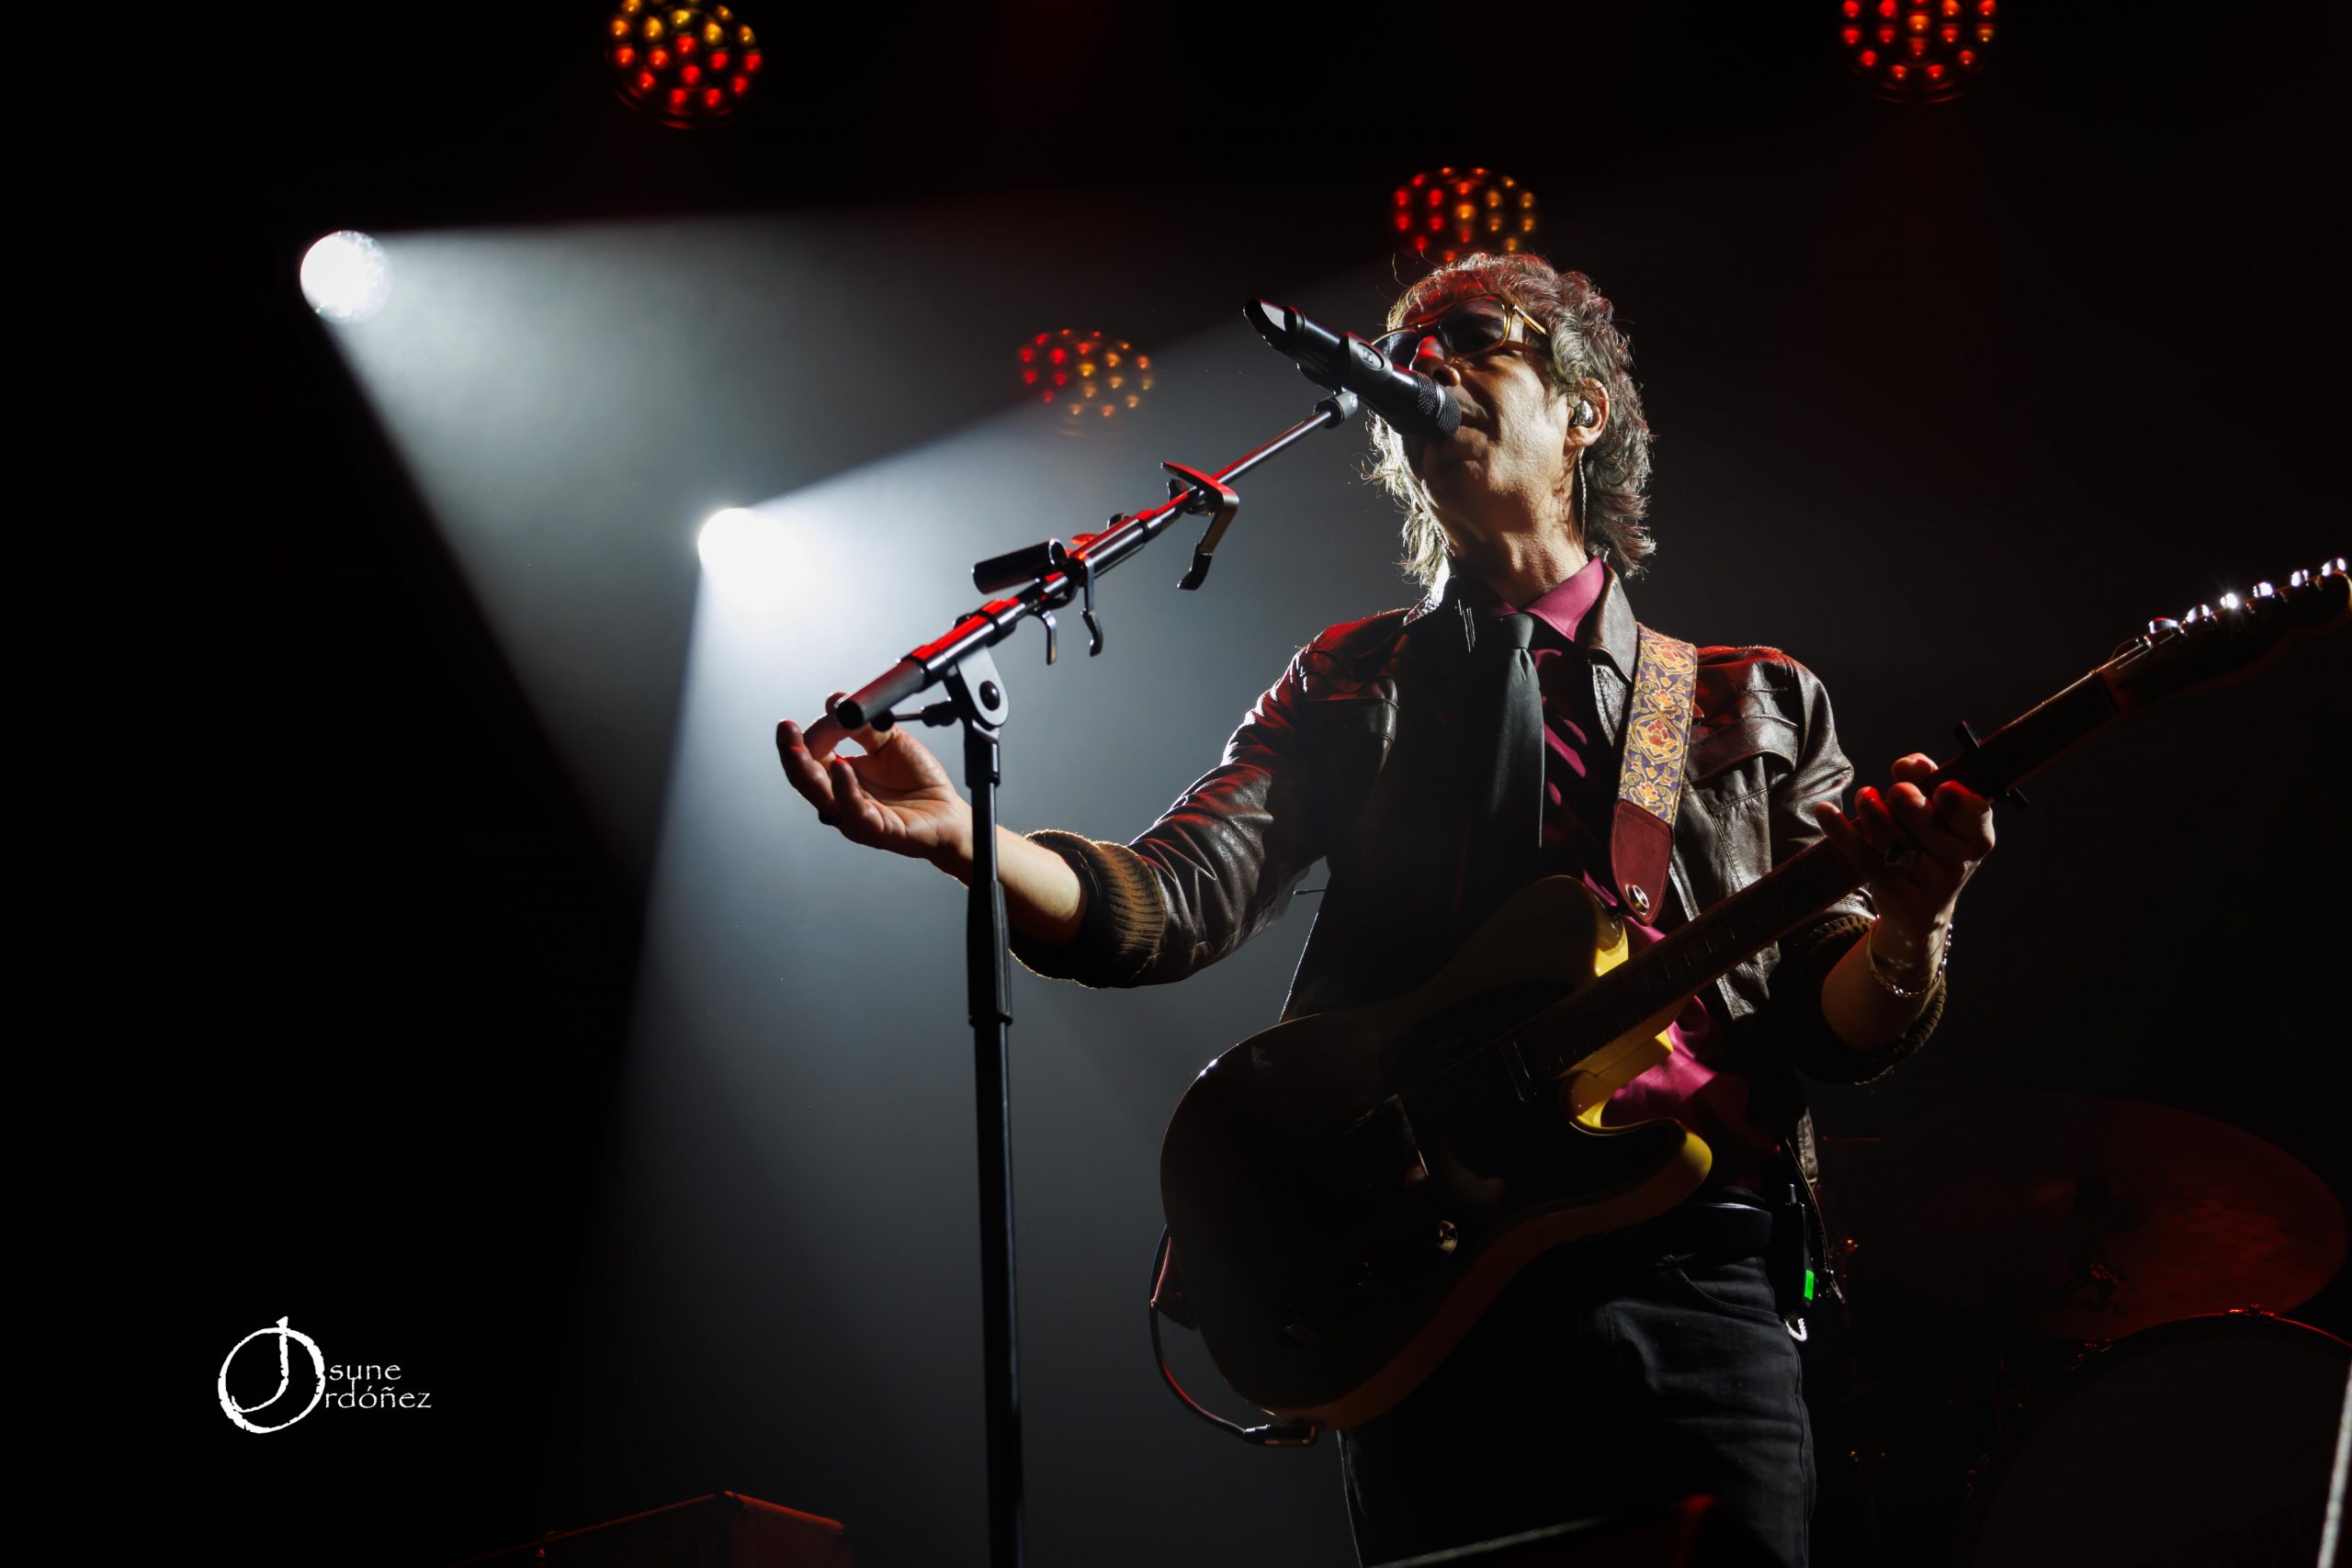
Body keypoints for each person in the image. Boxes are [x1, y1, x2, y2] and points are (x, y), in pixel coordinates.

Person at [776, 253, 1995, 1568]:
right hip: (1428, 1277)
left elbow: (1835, 1022)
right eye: (1411, 352)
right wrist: (968, 839)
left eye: (1476, 341)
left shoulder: (1751, 698)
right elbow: (1171, 901)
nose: (1430, 369)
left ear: (1583, 410)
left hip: (1689, 1268)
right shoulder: (1351, 679)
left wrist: (1913, 924)